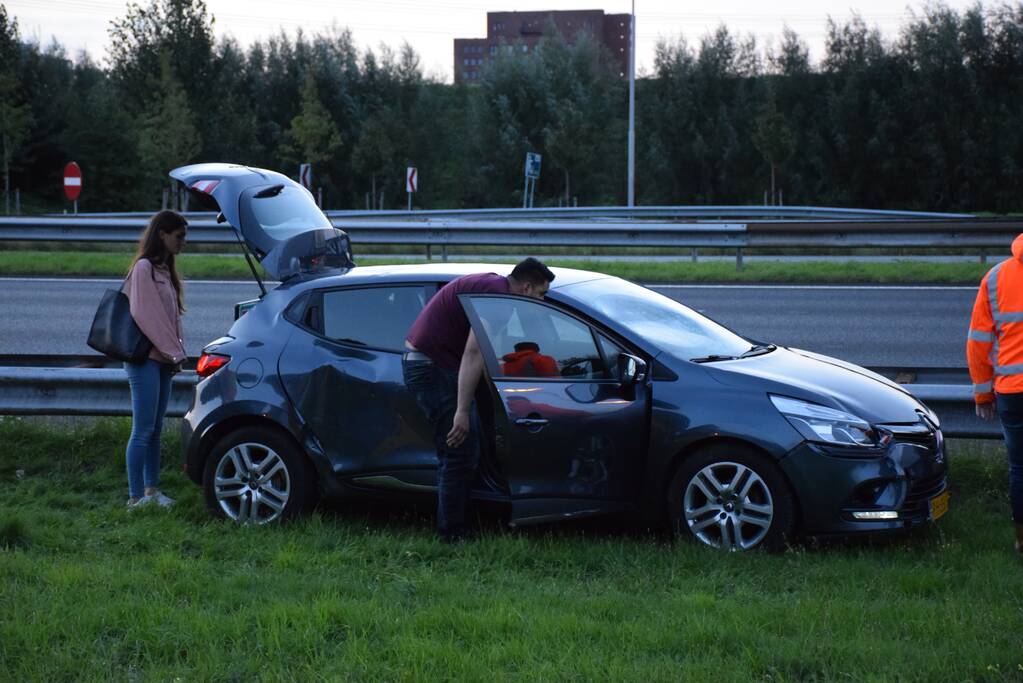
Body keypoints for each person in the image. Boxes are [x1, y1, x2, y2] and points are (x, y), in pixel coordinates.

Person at [403, 257, 555, 542]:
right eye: (541, 294)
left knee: (462, 450)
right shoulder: (496, 297)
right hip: (431, 368)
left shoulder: (495, 287)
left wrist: (498, 393)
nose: (542, 301)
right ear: (526, 287)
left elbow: (481, 353)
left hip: (434, 364)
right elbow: (472, 353)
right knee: (459, 451)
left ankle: (462, 521)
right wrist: (462, 411)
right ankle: (452, 535)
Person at [123, 210, 189, 509]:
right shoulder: (144, 269)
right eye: (179, 236)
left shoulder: (164, 270)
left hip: (163, 359)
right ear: (162, 234)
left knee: (156, 429)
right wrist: (175, 354)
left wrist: (174, 354)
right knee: (143, 430)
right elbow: (148, 318)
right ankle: (135, 497)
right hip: (145, 360)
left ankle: (152, 492)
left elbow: (172, 321)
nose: (182, 243)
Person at [967, 233, 1023, 553]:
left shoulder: (996, 277)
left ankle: (1021, 541)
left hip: (1012, 392)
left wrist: (982, 394)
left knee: (1020, 468)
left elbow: (978, 342)